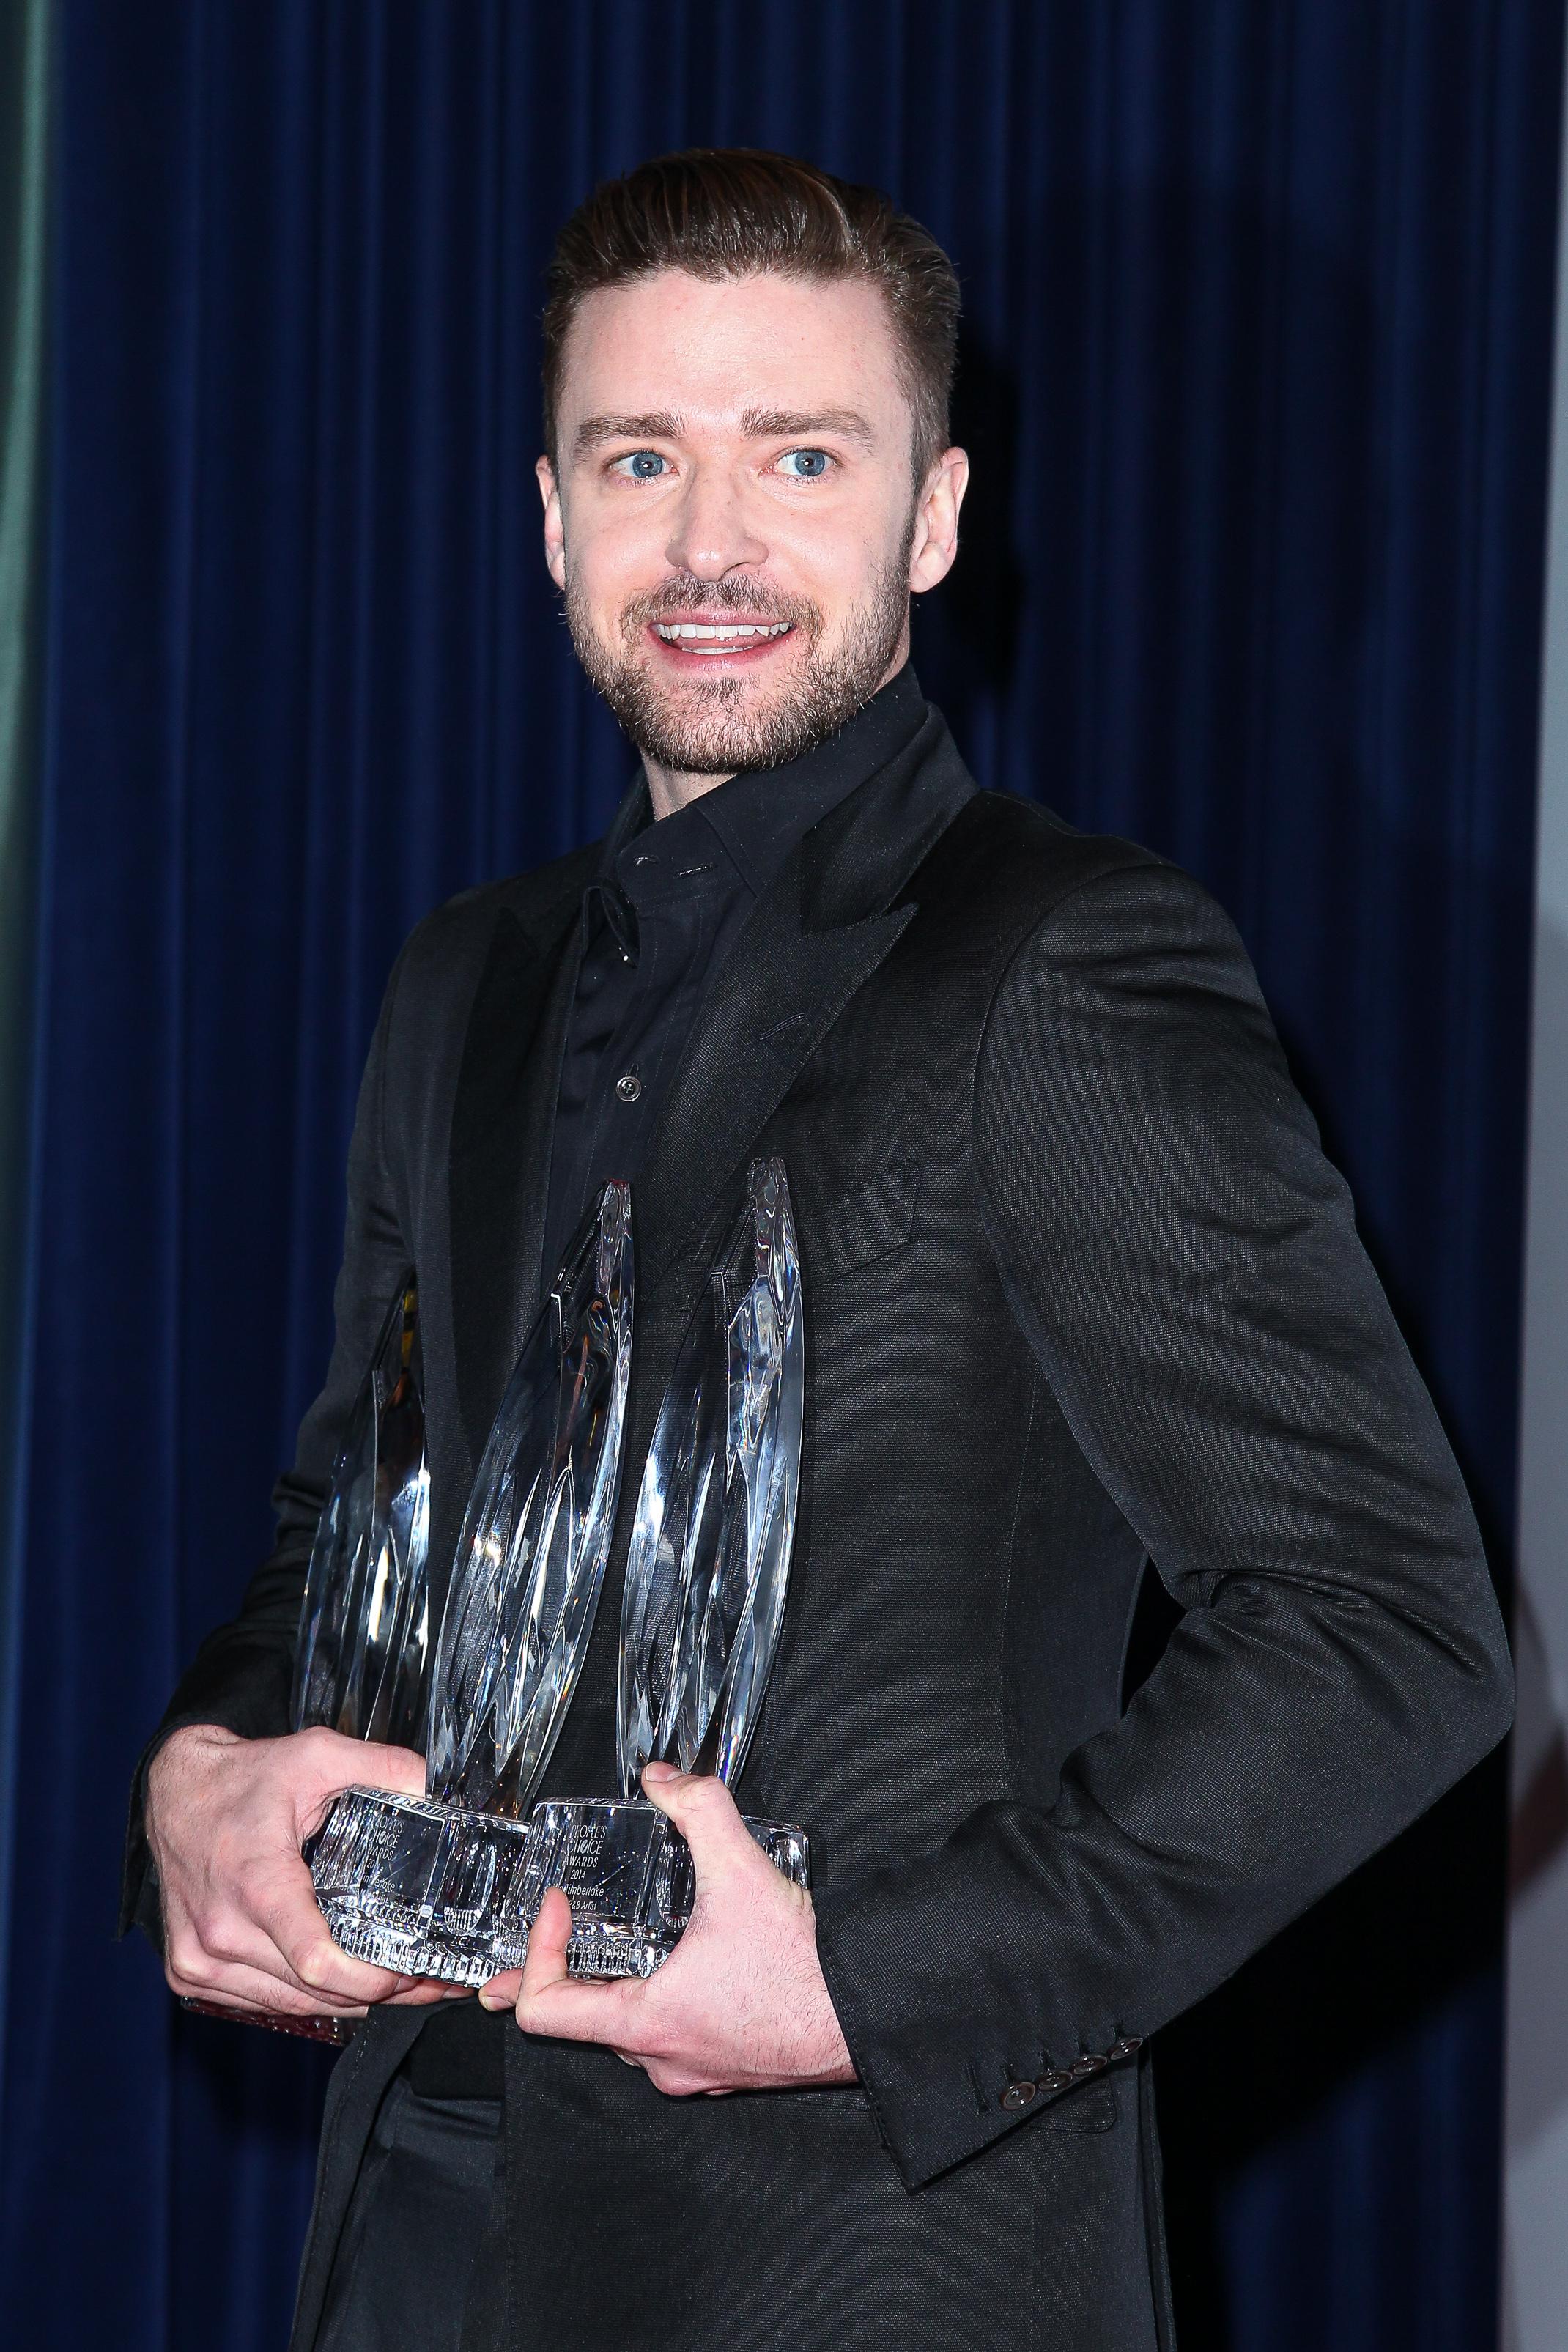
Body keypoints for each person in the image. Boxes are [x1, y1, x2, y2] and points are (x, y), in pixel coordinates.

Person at [124, 149, 1513, 2352]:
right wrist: (200, 1773)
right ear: (553, 513)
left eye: (800, 455)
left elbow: (1387, 1635)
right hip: (409, 2224)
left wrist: (867, 1983)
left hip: (853, 2260)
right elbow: (344, 1524)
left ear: (931, 518)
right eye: (643, 457)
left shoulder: (1064, 961)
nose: (708, 544)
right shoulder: (461, 980)